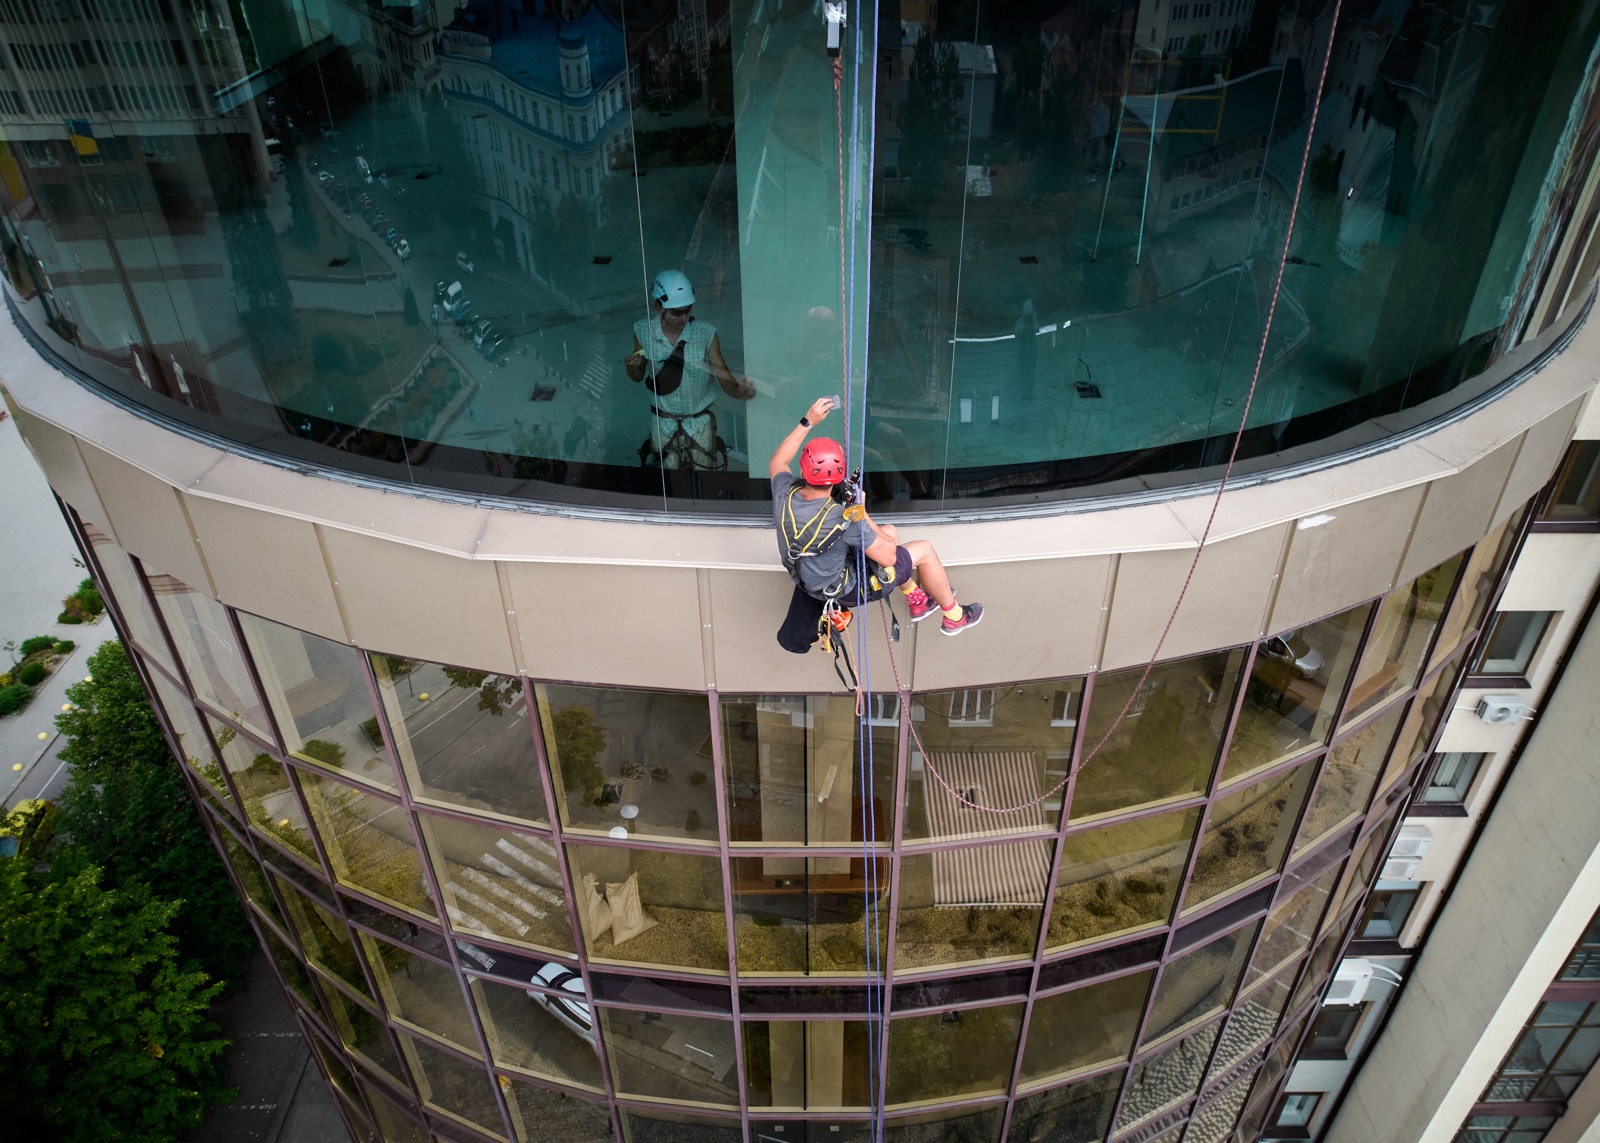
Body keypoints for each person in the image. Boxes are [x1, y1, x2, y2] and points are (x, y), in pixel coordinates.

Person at [770, 396, 983, 639]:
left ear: (803, 469)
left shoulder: (785, 493)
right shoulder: (842, 517)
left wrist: (808, 421)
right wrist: (859, 509)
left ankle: (917, 599)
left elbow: (779, 460)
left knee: (890, 531)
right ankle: (955, 616)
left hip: (810, 576)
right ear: (839, 476)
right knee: (923, 550)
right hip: (845, 589)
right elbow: (888, 556)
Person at [626, 270, 754, 469]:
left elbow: (723, 377)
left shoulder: (705, 333)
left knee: (704, 478)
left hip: (699, 424)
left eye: (688, 310)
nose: (684, 317)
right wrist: (632, 367)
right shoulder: (643, 332)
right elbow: (638, 375)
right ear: (659, 307)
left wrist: (740, 391)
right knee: (667, 483)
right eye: (677, 312)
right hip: (663, 423)